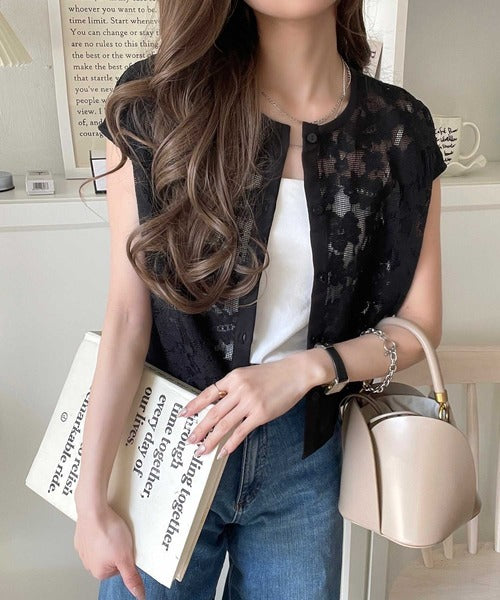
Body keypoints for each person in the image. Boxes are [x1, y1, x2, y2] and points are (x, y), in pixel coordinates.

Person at [74, 1, 447, 599]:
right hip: (168, 445)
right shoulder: (158, 105)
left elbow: (419, 324)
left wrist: (305, 371)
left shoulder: (400, 129)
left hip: (304, 457)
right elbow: (126, 318)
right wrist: (90, 498)